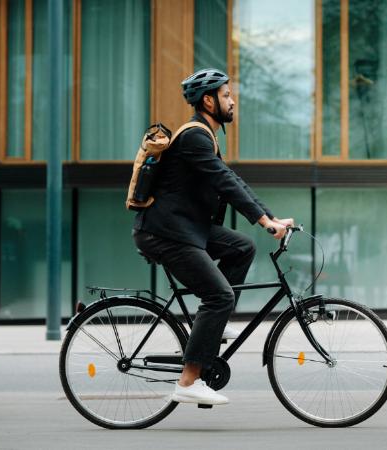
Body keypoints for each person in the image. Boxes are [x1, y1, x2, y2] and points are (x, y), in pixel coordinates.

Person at [132, 68, 293, 406]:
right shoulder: (195, 136)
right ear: (208, 100)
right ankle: (188, 381)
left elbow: (234, 181)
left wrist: (271, 217)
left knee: (241, 247)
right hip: (165, 232)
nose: (232, 101)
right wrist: (265, 222)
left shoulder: (205, 135)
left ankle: (212, 329)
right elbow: (225, 182)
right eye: (227, 95)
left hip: (186, 227)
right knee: (219, 296)